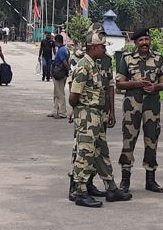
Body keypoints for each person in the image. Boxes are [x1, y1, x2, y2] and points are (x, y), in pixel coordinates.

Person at [68, 23, 132, 208]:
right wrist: (82, 109)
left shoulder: (93, 64)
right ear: (94, 47)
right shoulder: (83, 67)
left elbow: (107, 87)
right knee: (85, 152)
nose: (104, 49)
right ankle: (80, 191)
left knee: (101, 152)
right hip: (87, 115)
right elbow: (73, 97)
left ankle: (111, 187)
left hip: (97, 114)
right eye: (102, 46)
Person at [116, 28, 163, 193]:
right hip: (132, 105)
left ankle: (151, 179)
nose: (144, 43)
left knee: (152, 140)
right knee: (128, 140)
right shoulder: (127, 59)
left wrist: (155, 87)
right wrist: (136, 84)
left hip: (152, 105)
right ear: (135, 43)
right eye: (141, 40)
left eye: (147, 39)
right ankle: (125, 180)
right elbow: (119, 83)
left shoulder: (158, 58)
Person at [49, 34, 69, 119]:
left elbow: (64, 62)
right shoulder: (65, 49)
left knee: (60, 93)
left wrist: (67, 70)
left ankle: (62, 112)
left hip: (59, 74)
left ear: (56, 41)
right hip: (61, 73)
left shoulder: (61, 50)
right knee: (56, 92)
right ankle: (55, 110)